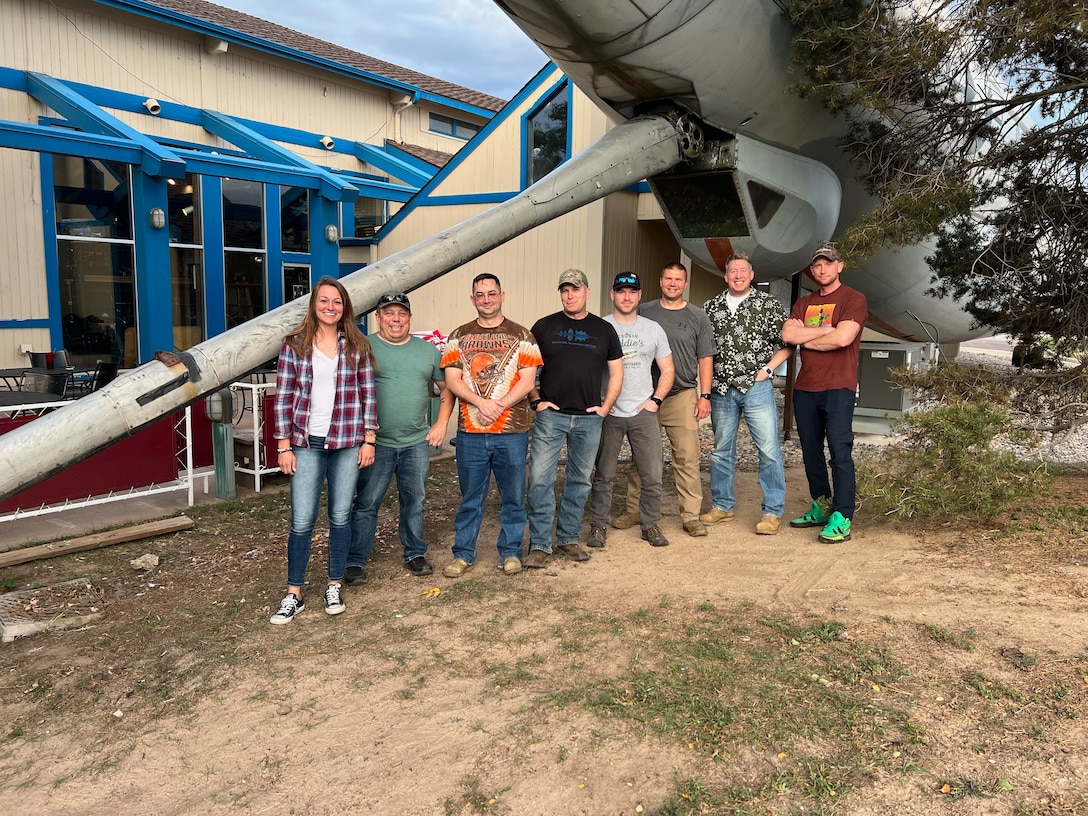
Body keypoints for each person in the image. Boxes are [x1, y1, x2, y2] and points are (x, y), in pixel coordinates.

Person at [269, 277, 377, 625]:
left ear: (345, 307)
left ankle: (333, 584)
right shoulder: (295, 344)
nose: (330, 307)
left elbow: (368, 395)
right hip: (305, 444)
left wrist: (369, 438)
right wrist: (283, 444)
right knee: (302, 520)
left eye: (337, 302)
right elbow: (283, 396)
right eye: (324, 301)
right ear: (314, 305)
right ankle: (294, 593)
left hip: (347, 442)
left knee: (340, 516)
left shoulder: (357, 345)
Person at [346, 290, 454, 582]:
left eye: (402, 313)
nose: (396, 319)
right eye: (389, 313)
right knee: (367, 502)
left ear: (409, 318)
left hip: (416, 442)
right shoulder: (362, 347)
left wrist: (441, 423)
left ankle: (414, 553)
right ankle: (355, 560)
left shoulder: (428, 352)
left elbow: (447, 388)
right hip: (375, 443)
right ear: (377, 317)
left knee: (415, 500)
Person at [440, 273, 542, 577]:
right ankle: (463, 553)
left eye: (491, 293)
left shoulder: (522, 335)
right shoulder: (458, 336)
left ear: (502, 295)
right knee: (471, 497)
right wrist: (481, 403)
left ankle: (511, 551)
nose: (486, 299)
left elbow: (528, 380)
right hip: (471, 433)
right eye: (480, 294)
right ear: (473, 299)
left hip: (511, 432)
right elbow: (451, 380)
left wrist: (498, 406)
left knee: (512, 495)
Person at [525, 268, 624, 568]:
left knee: (580, 480)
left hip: (589, 419)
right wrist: (536, 400)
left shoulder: (604, 330)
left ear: (587, 292)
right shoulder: (544, 327)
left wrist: (605, 407)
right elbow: (526, 368)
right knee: (540, 480)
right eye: (565, 290)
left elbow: (617, 372)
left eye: (576, 289)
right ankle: (540, 545)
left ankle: (568, 538)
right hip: (550, 418)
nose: (570, 295)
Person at [614, 262, 715, 537]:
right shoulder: (643, 310)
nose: (673, 283)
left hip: (681, 394)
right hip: (645, 396)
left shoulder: (697, 316)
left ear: (685, 284)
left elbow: (705, 358)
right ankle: (634, 510)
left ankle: (691, 515)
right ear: (660, 282)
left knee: (687, 457)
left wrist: (704, 395)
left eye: (678, 279)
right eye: (668, 278)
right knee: (642, 458)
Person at [699, 253, 792, 535]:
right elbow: (704, 351)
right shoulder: (711, 307)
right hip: (721, 389)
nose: (738, 275)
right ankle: (722, 505)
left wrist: (768, 369)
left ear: (752, 275)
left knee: (769, 451)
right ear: (725, 276)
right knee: (721, 451)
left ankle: (773, 511)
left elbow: (788, 343)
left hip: (756, 387)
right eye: (732, 271)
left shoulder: (768, 305)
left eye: (743, 270)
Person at [782, 246, 868, 543]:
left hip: (838, 387)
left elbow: (843, 338)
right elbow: (789, 336)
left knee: (840, 453)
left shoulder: (853, 299)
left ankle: (842, 516)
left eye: (827, 264)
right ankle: (822, 505)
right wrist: (825, 331)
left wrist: (808, 337)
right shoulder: (803, 302)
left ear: (839, 266)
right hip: (806, 388)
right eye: (817, 265)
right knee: (810, 452)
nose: (821, 269)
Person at [587, 272, 675, 549]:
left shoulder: (653, 329)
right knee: (604, 474)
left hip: (643, 412)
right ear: (612, 294)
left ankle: (649, 524)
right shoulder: (599, 327)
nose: (627, 296)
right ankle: (599, 525)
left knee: (652, 474)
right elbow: (586, 370)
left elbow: (668, 369)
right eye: (621, 291)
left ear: (639, 295)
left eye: (632, 291)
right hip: (609, 414)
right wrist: (600, 405)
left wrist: (655, 401)